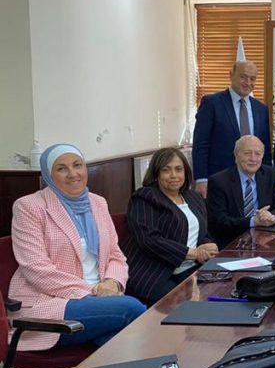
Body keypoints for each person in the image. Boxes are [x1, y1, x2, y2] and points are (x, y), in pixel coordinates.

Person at [8, 144, 145, 352]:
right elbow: (36, 269)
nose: (73, 174)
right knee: (132, 308)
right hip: (50, 304)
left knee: (122, 341)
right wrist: (92, 293)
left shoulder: (97, 203)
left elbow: (115, 255)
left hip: (101, 299)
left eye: (77, 165)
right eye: (61, 168)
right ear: (48, 175)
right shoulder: (29, 207)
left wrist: (112, 282)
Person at [122, 148, 219, 306]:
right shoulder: (144, 197)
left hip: (189, 268)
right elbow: (149, 240)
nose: (173, 175)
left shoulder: (193, 197)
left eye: (178, 169)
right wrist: (192, 253)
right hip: (155, 273)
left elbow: (201, 232)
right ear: (156, 174)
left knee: (220, 290)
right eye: (166, 170)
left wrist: (207, 246)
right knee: (183, 305)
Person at [192, 60, 271, 198]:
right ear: (231, 75)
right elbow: (201, 143)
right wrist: (201, 179)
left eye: (252, 78)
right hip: (219, 179)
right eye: (243, 77)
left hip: (252, 182)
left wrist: (267, 179)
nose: (248, 82)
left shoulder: (261, 109)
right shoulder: (212, 103)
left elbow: (265, 149)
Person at [207, 136, 275, 248]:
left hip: (264, 240)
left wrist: (272, 217)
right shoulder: (219, 181)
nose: (253, 158)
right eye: (247, 153)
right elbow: (219, 220)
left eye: (258, 153)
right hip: (231, 242)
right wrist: (253, 221)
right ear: (236, 155)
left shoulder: (270, 174)